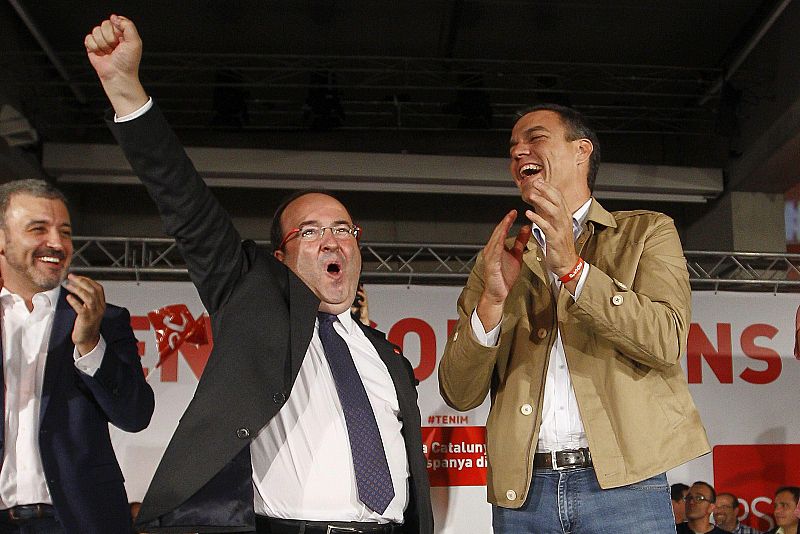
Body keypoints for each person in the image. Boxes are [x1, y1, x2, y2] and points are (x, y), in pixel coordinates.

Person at [86, 15, 432, 534]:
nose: (332, 239)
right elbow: (185, 203)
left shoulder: (387, 359)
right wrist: (123, 87)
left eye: (343, 228)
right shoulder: (253, 305)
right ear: (280, 258)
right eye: (310, 232)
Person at [438, 103, 710, 533]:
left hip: (625, 488)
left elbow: (666, 340)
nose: (519, 152)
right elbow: (458, 391)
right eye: (513, 148)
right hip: (525, 495)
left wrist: (574, 270)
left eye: (536, 138)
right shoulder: (500, 258)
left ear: (582, 150)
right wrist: (491, 301)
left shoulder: (646, 232)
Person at [0, 179, 154, 533]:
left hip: (78, 521)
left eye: (65, 232)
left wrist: (90, 344)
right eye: (38, 229)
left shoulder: (105, 319)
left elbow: (135, 415)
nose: (56, 243)